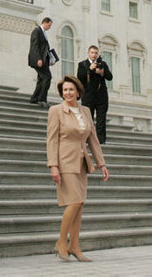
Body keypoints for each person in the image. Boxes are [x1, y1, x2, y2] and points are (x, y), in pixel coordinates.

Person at [47, 75, 109, 262]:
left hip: (81, 163)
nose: (68, 93)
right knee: (73, 201)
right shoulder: (56, 111)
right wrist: (53, 166)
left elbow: (93, 140)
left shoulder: (86, 111)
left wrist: (102, 163)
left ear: (78, 92)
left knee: (79, 204)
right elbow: (51, 140)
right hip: (64, 161)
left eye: (71, 90)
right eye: (65, 90)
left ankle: (74, 245)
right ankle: (61, 241)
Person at [76, 45, 113, 144]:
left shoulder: (102, 64)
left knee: (101, 120)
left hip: (101, 96)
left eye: (96, 53)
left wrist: (102, 72)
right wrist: (89, 69)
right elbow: (80, 77)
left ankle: (101, 140)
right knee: (88, 119)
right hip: (88, 96)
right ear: (88, 53)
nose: (94, 55)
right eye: (92, 52)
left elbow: (110, 77)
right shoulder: (82, 64)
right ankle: (89, 139)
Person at [28, 17, 53, 109]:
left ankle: (34, 98)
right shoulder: (37, 31)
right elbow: (35, 46)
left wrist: (51, 60)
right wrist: (38, 59)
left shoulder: (43, 33)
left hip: (43, 60)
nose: (49, 27)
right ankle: (42, 99)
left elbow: (46, 49)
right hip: (38, 59)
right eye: (49, 25)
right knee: (47, 77)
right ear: (45, 23)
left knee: (41, 78)